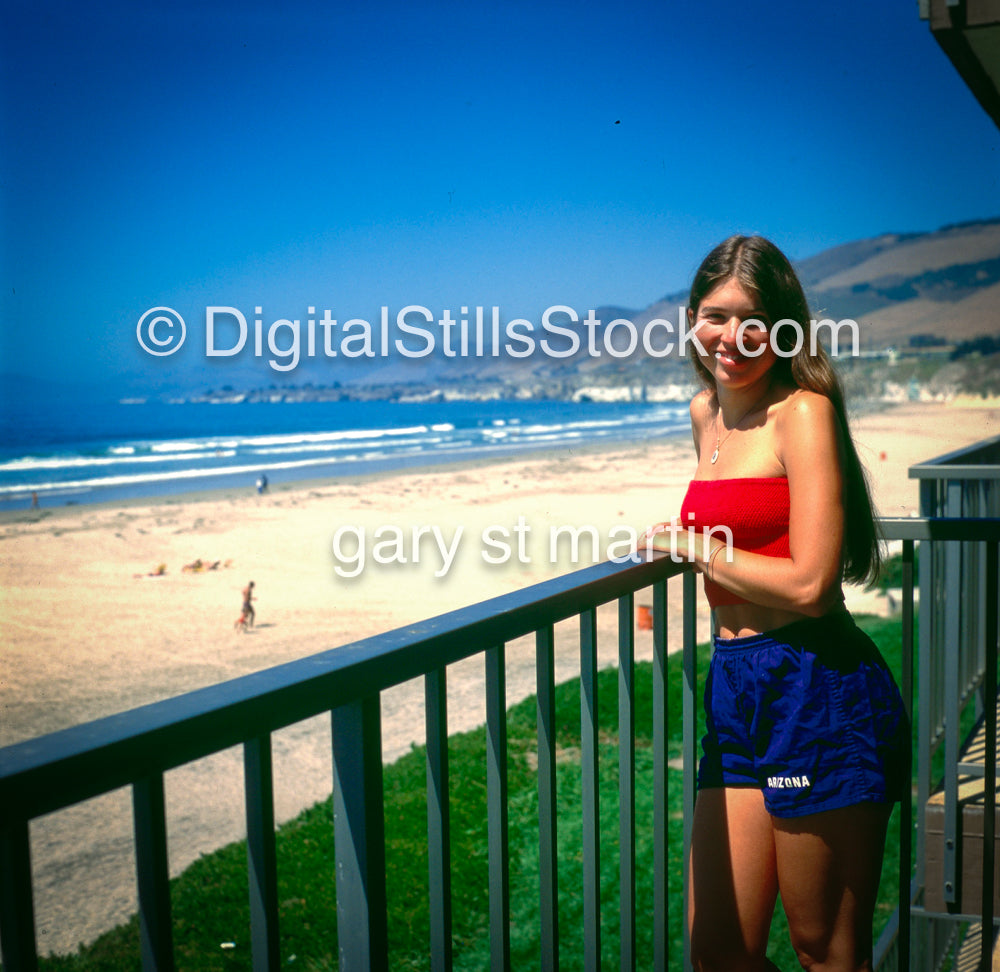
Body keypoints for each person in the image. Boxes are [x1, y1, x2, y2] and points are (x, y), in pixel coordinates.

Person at [647, 236, 908, 971]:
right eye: (715, 316)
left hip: (815, 685)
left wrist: (696, 546)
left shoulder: (804, 412)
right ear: (692, 319)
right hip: (734, 684)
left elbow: (811, 584)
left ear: (787, 327)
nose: (733, 338)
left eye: (754, 319)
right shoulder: (706, 415)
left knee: (823, 949)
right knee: (719, 949)